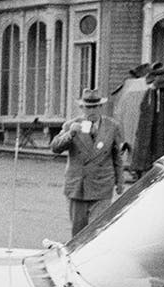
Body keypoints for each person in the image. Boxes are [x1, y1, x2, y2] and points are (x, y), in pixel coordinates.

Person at [50, 88, 126, 236]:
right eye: (88, 107)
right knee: (78, 233)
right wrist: (70, 134)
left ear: (101, 107)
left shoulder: (112, 126)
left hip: (101, 186)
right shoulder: (71, 125)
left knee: (97, 231)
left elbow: (117, 156)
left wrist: (120, 181)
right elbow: (55, 148)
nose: (91, 110)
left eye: (95, 107)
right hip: (78, 186)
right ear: (82, 108)